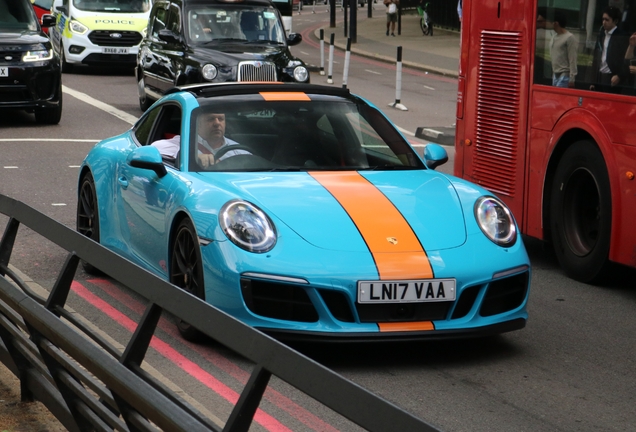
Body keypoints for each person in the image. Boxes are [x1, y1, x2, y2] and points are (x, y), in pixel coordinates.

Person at [150, 112, 248, 168]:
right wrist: (192, 157)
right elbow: (155, 148)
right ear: (198, 123)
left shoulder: (239, 151)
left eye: (221, 119)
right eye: (210, 119)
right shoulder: (185, 142)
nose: (217, 123)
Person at [590, 6, 629, 93]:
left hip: (613, 77)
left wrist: (619, 76)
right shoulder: (601, 34)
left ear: (615, 21)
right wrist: (593, 81)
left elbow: (625, 59)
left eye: (607, 20)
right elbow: (596, 57)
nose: (604, 22)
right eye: (603, 19)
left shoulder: (621, 36)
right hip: (600, 76)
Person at [549, 11, 577, 88]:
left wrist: (572, 78)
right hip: (555, 74)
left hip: (564, 74)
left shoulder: (569, 37)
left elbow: (572, 58)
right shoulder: (554, 36)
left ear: (556, 23)